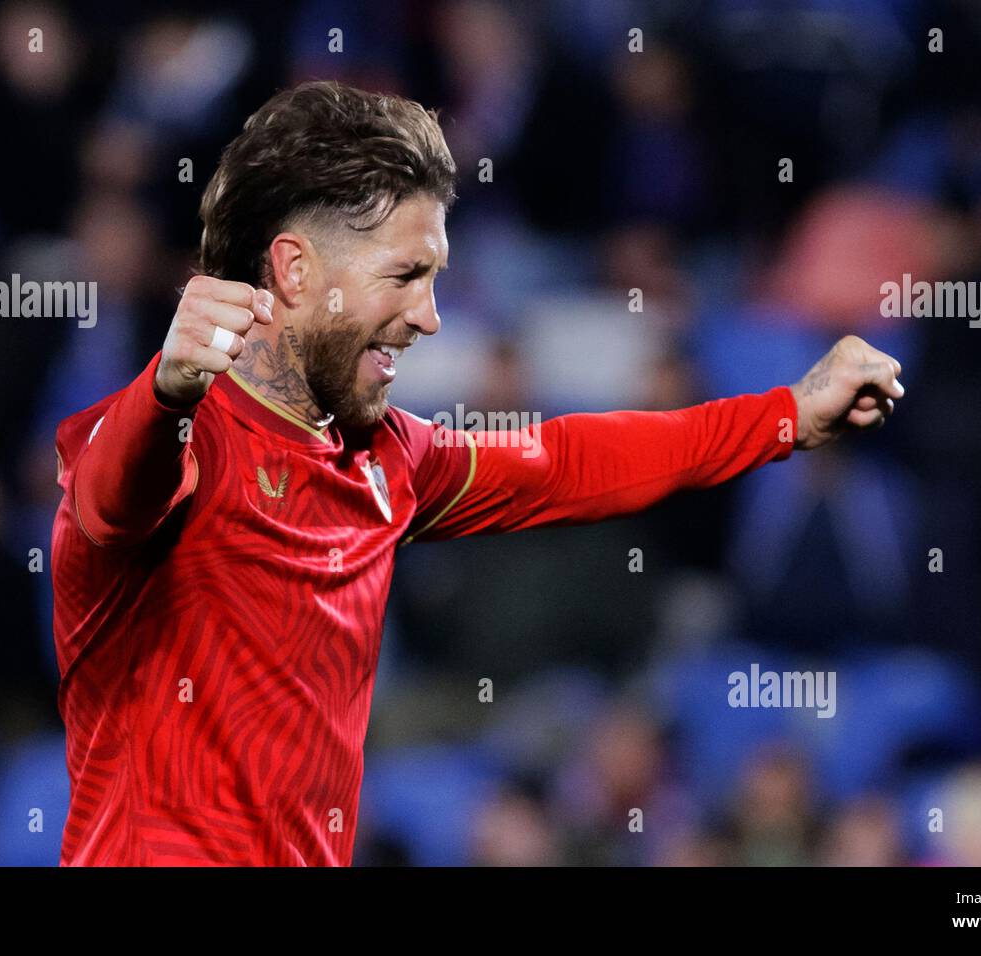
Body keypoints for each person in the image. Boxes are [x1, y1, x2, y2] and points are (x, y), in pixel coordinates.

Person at [51, 80, 905, 865]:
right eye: (406, 276)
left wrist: (785, 415)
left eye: (436, 278)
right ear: (295, 269)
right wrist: (165, 396)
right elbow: (113, 498)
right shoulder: (164, 444)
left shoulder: (391, 460)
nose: (428, 317)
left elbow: (569, 461)